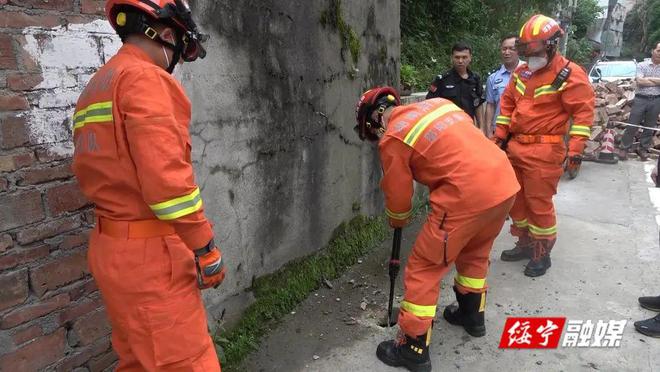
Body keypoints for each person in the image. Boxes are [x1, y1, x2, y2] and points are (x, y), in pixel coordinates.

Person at [71, 0, 226, 370]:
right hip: (150, 258)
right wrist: (205, 247)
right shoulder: (146, 79)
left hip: (112, 250)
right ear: (167, 34)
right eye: (180, 49)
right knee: (186, 362)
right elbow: (169, 185)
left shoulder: (96, 86)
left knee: (139, 360)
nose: (176, 63)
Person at [355, 87, 519, 371]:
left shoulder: (393, 137)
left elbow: (398, 195)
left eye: (372, 132)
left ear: (375, 120)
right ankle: (472, 316)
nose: (376, 137)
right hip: (504, 184)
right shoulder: (441, 105)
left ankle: (413, 348)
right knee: (475, 252)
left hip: (465, 196)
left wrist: (398, 220)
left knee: (424, 268)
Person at [493, 14, 595, 277]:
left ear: (551, 45)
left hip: (545, 151)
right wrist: (500, 139)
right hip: (515, 148)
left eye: (533, 48)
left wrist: (575, 151)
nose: (528, 54)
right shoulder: (522, 71)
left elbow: (583, 116)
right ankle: (525, 243)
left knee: (539, 204)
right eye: (525, 48)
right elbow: (507, 106)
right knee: (515, 200)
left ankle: (542, 252)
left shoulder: (570, 74)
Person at [616, 42, 660, 161]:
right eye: (658, 51)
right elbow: (640, 82)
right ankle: (624, 148)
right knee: (632, 124)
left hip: (656, 100)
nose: (659, 54)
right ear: (653, 51)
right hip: (641, 98)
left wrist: (648, 79)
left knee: (649, 127)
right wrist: (656, 81)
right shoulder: (642, 65)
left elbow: (643, 80)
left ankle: (643, 149)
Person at [426, 43, 484, 126]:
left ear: (470, 58)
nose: (460, 61)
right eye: (457, 57)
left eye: (464, 57)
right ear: (452, 58)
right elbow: (430, 104)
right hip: (448, 128)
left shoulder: (475, 79)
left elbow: (478, 104)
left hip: (469, 127)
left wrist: (481, 128)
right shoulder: (442, 80)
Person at [485, 34, 523, 136]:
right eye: (504, 49)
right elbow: (490, 105)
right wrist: (488, 131)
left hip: (523, 131)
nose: (507, 52)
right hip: (498, 130)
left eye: (511, 49)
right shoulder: (493, 77)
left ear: (519, 50)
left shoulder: (530, 72)